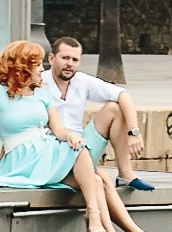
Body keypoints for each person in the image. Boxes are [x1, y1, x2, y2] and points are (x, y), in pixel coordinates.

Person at [0, 41, 159, 232]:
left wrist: (70, 136)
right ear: (22, 66)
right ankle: (105, 224)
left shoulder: (42, 93)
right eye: (36, 64)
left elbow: (58, 129)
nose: (41, 69)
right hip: (22, 159)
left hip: (47, 151)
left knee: (90, 168)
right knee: (95, 174)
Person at [43, 37, 154, 192]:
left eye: (75, 60)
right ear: (52, 58)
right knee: (100, 180)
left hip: (79, 148)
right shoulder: (39, 83)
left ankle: (125, 174)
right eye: (65, 58)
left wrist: (134, 131)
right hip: (51, 153)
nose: (70, 64)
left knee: (114, 108)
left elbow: (123, 94)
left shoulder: (82, 81)